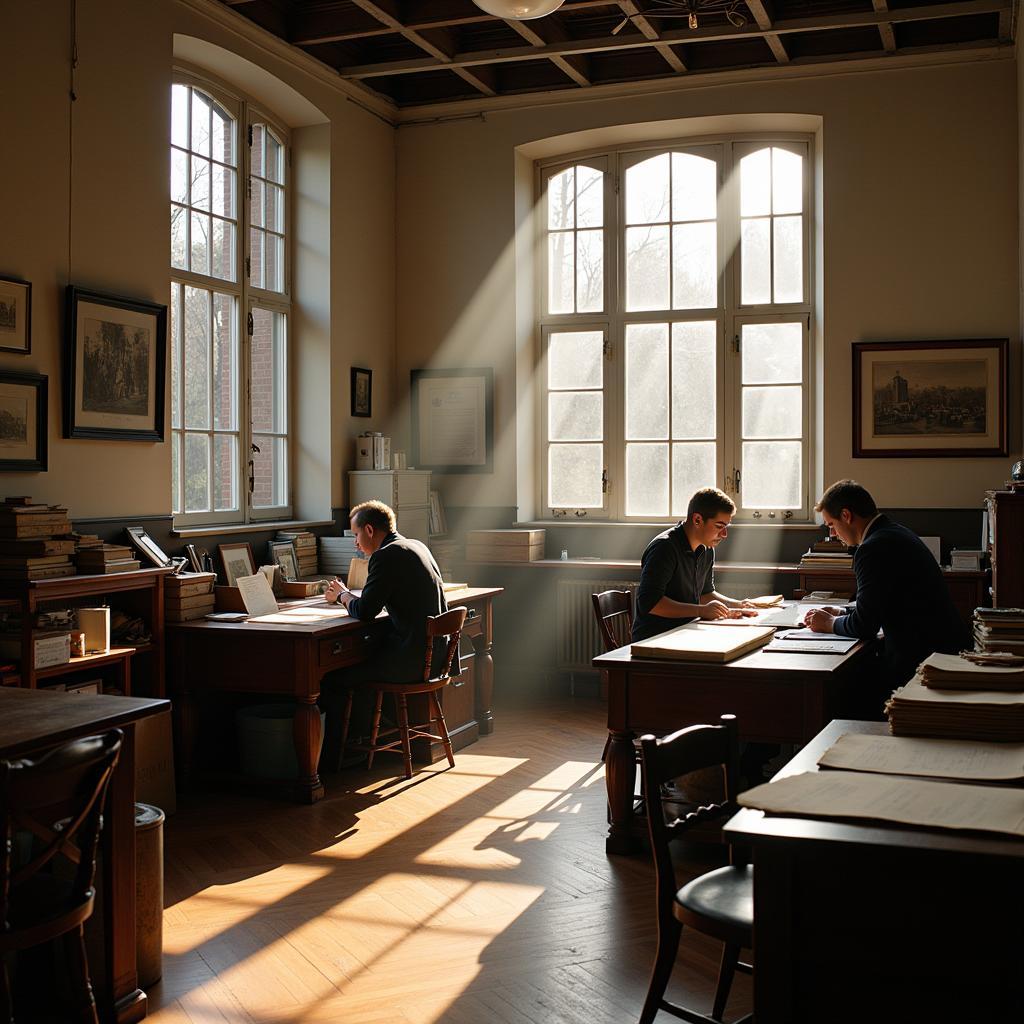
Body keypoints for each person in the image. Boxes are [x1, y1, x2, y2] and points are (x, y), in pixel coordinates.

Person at [804, 479, 969, 715]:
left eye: (831, 525)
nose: (833, 534)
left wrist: (828, 624)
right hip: (942, 653)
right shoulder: (895, 533)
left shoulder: (872, 549)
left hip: (919, 665)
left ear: (846, 515)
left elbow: (865, 626)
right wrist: (840, 612)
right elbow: (883, 603)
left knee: (842, 696)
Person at [321, 499, 449, 759]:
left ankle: (338, 755)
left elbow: (366, 611)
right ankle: (363, 740)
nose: (355, 543)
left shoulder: (385, 556)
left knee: (331, 678)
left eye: (356, 534)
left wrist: (343, 595)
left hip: (410, 661)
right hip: (435, 656)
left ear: (369, 530)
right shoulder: (415, 545)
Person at [632, 487, 757, 643]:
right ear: (697, 520)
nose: (724, 535)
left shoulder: (707, 548)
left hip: (686, 633)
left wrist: (737, 605)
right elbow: (650, 603)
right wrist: (701, 610)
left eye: (726, 527)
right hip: (655, 640)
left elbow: (705, 594)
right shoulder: (664, 548)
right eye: (719, 526)